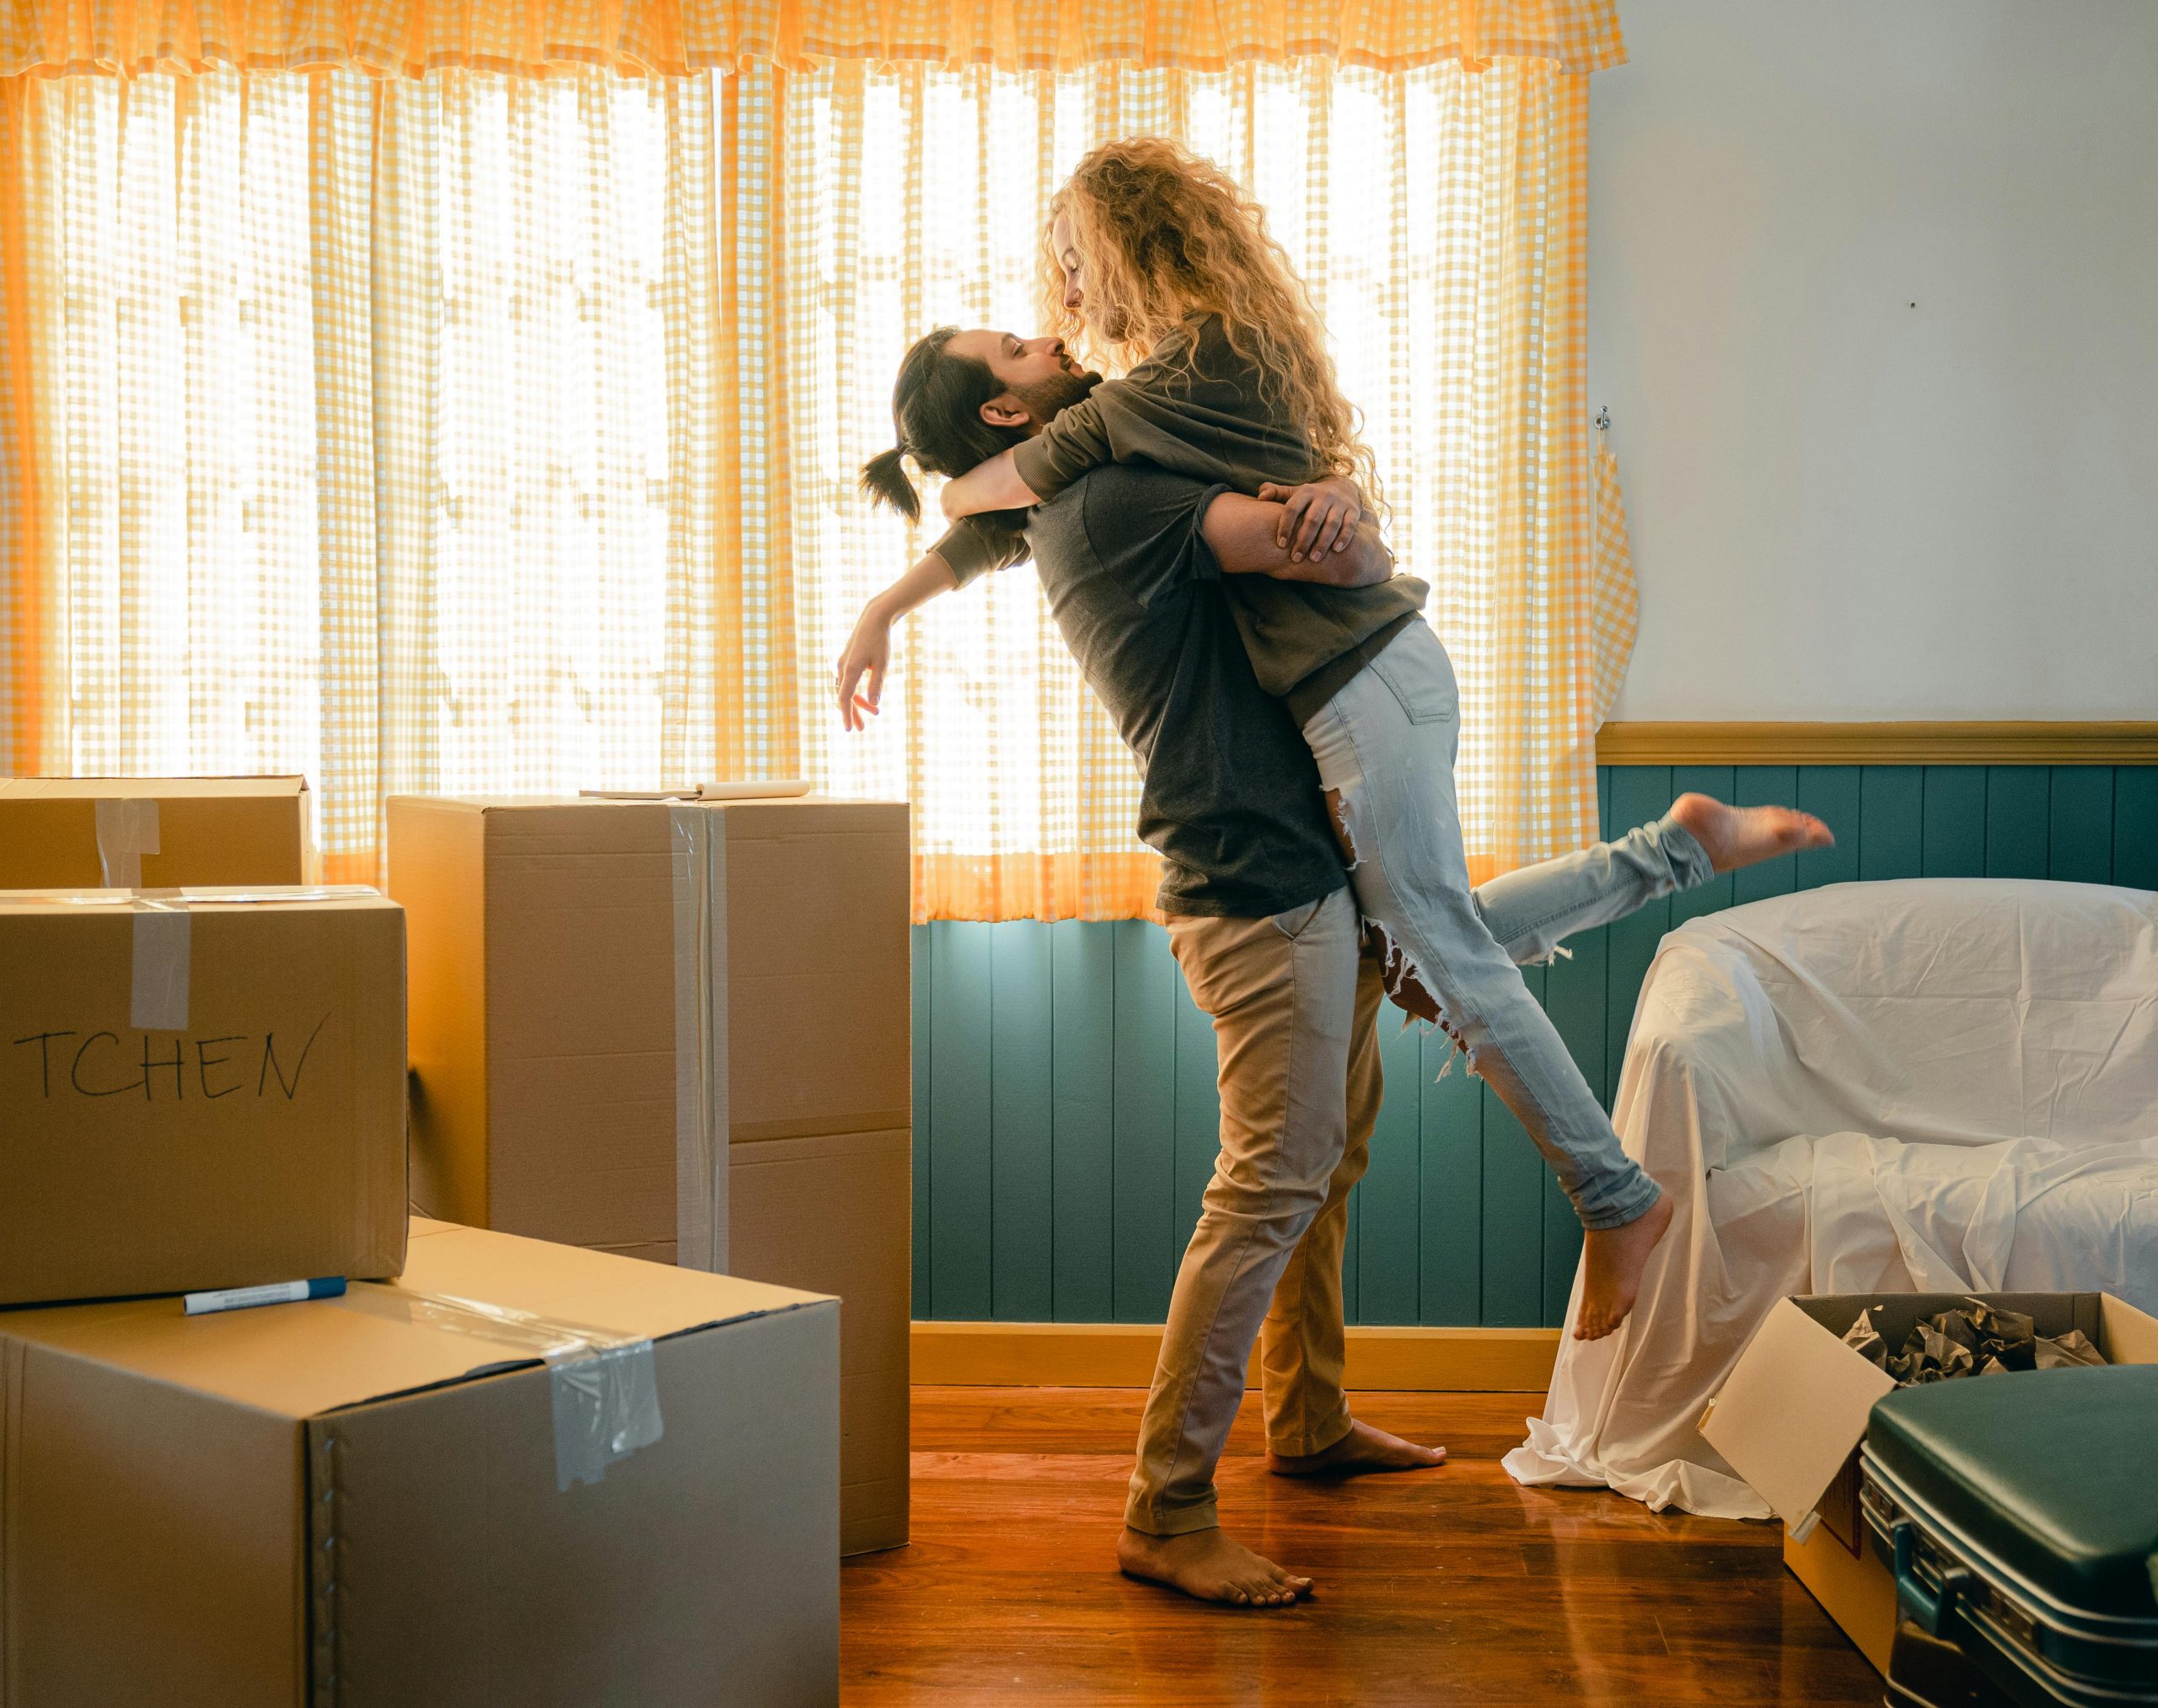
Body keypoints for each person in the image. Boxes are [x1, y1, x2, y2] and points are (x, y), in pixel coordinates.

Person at [836, 340, 1827, 1607]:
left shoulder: (1066, 489)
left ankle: (1306, 1419)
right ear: (1007, 408)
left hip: (1299, 855)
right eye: (1021, 348)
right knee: (1270, 1184)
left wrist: (883, 605)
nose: (1055, 335)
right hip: (1260, 883)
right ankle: (1166, 1506)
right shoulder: (1117, 492)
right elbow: (1322, 552)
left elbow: (985, 529)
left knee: (1373, 1077)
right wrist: (1334, 507)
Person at [886, 137, 1833, 1340]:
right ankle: (1673, 850)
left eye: (1071, 265)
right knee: (1432, 944)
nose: (1059, 302)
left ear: (1130, 249)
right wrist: (892, 596)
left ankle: (1615, 1197)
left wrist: (953, 489)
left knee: (1444, 949)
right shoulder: (1191, 374)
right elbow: (1024, 504)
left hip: (1359, 683)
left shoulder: (1162, 391)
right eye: (1036, 314)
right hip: (1369, 680)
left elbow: (1034, 479)